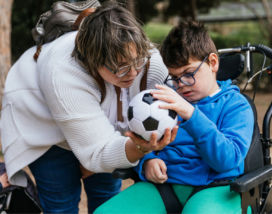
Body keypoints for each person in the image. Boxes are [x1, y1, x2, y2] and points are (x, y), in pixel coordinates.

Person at [0, 2, 178, 213]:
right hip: (45, 126)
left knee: (106, 197)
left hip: (99, 120)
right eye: (120, 68)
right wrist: (135, 149)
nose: (132, 73)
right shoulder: (63, 73)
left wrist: (103, 159)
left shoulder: (148, 60)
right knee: (61, 204)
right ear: (93, 62)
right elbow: (97, 153)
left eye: (137, 62)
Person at [94, 21, 254, 214]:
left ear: (212, 62)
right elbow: (145, 141)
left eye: (188, 74)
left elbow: (227, 161)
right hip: (164, 186)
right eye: (174, 77)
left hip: (216, 186)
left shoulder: (236, 105)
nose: (181, 85)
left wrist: (192, 115)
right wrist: (147, 162)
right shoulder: (163, 100)